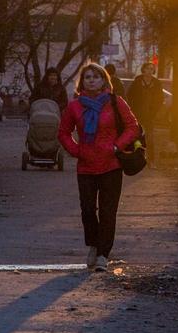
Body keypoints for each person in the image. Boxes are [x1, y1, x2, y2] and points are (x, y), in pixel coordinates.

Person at [58, 63, 139, 271]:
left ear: (104, 80)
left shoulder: (115, 102)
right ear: (82, 82)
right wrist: (77, 151)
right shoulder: (75, 106)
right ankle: (93, 244)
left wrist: (116, 146)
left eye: (96, 77)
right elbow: (64, 132)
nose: (91, 80)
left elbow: (133, 127)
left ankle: (103, 253)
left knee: (107, 210)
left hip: (111, 164)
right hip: (86, 165)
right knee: (87, 209)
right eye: (87, 77)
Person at [125, 62, 164, 162]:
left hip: (150, 115)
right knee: (137, 137)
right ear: (144, 70)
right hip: (137, 114)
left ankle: (151, 161)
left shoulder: (156, 83)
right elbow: (129, 96)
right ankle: (137, 159)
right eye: (148, 68)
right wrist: (132, 109)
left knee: (150, 139)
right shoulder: (137, 81)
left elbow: (160, 99)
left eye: (152, 69)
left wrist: (155, 111)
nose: (150, 71)